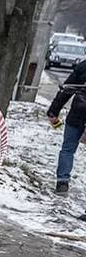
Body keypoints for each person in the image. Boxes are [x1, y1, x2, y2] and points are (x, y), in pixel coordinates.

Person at [51, 60, 86, 194]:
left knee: (67, 149)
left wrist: (53, 111)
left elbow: (66, 90)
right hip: (78, 114)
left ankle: (62, 183)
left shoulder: (83, 66)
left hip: (78, 113)